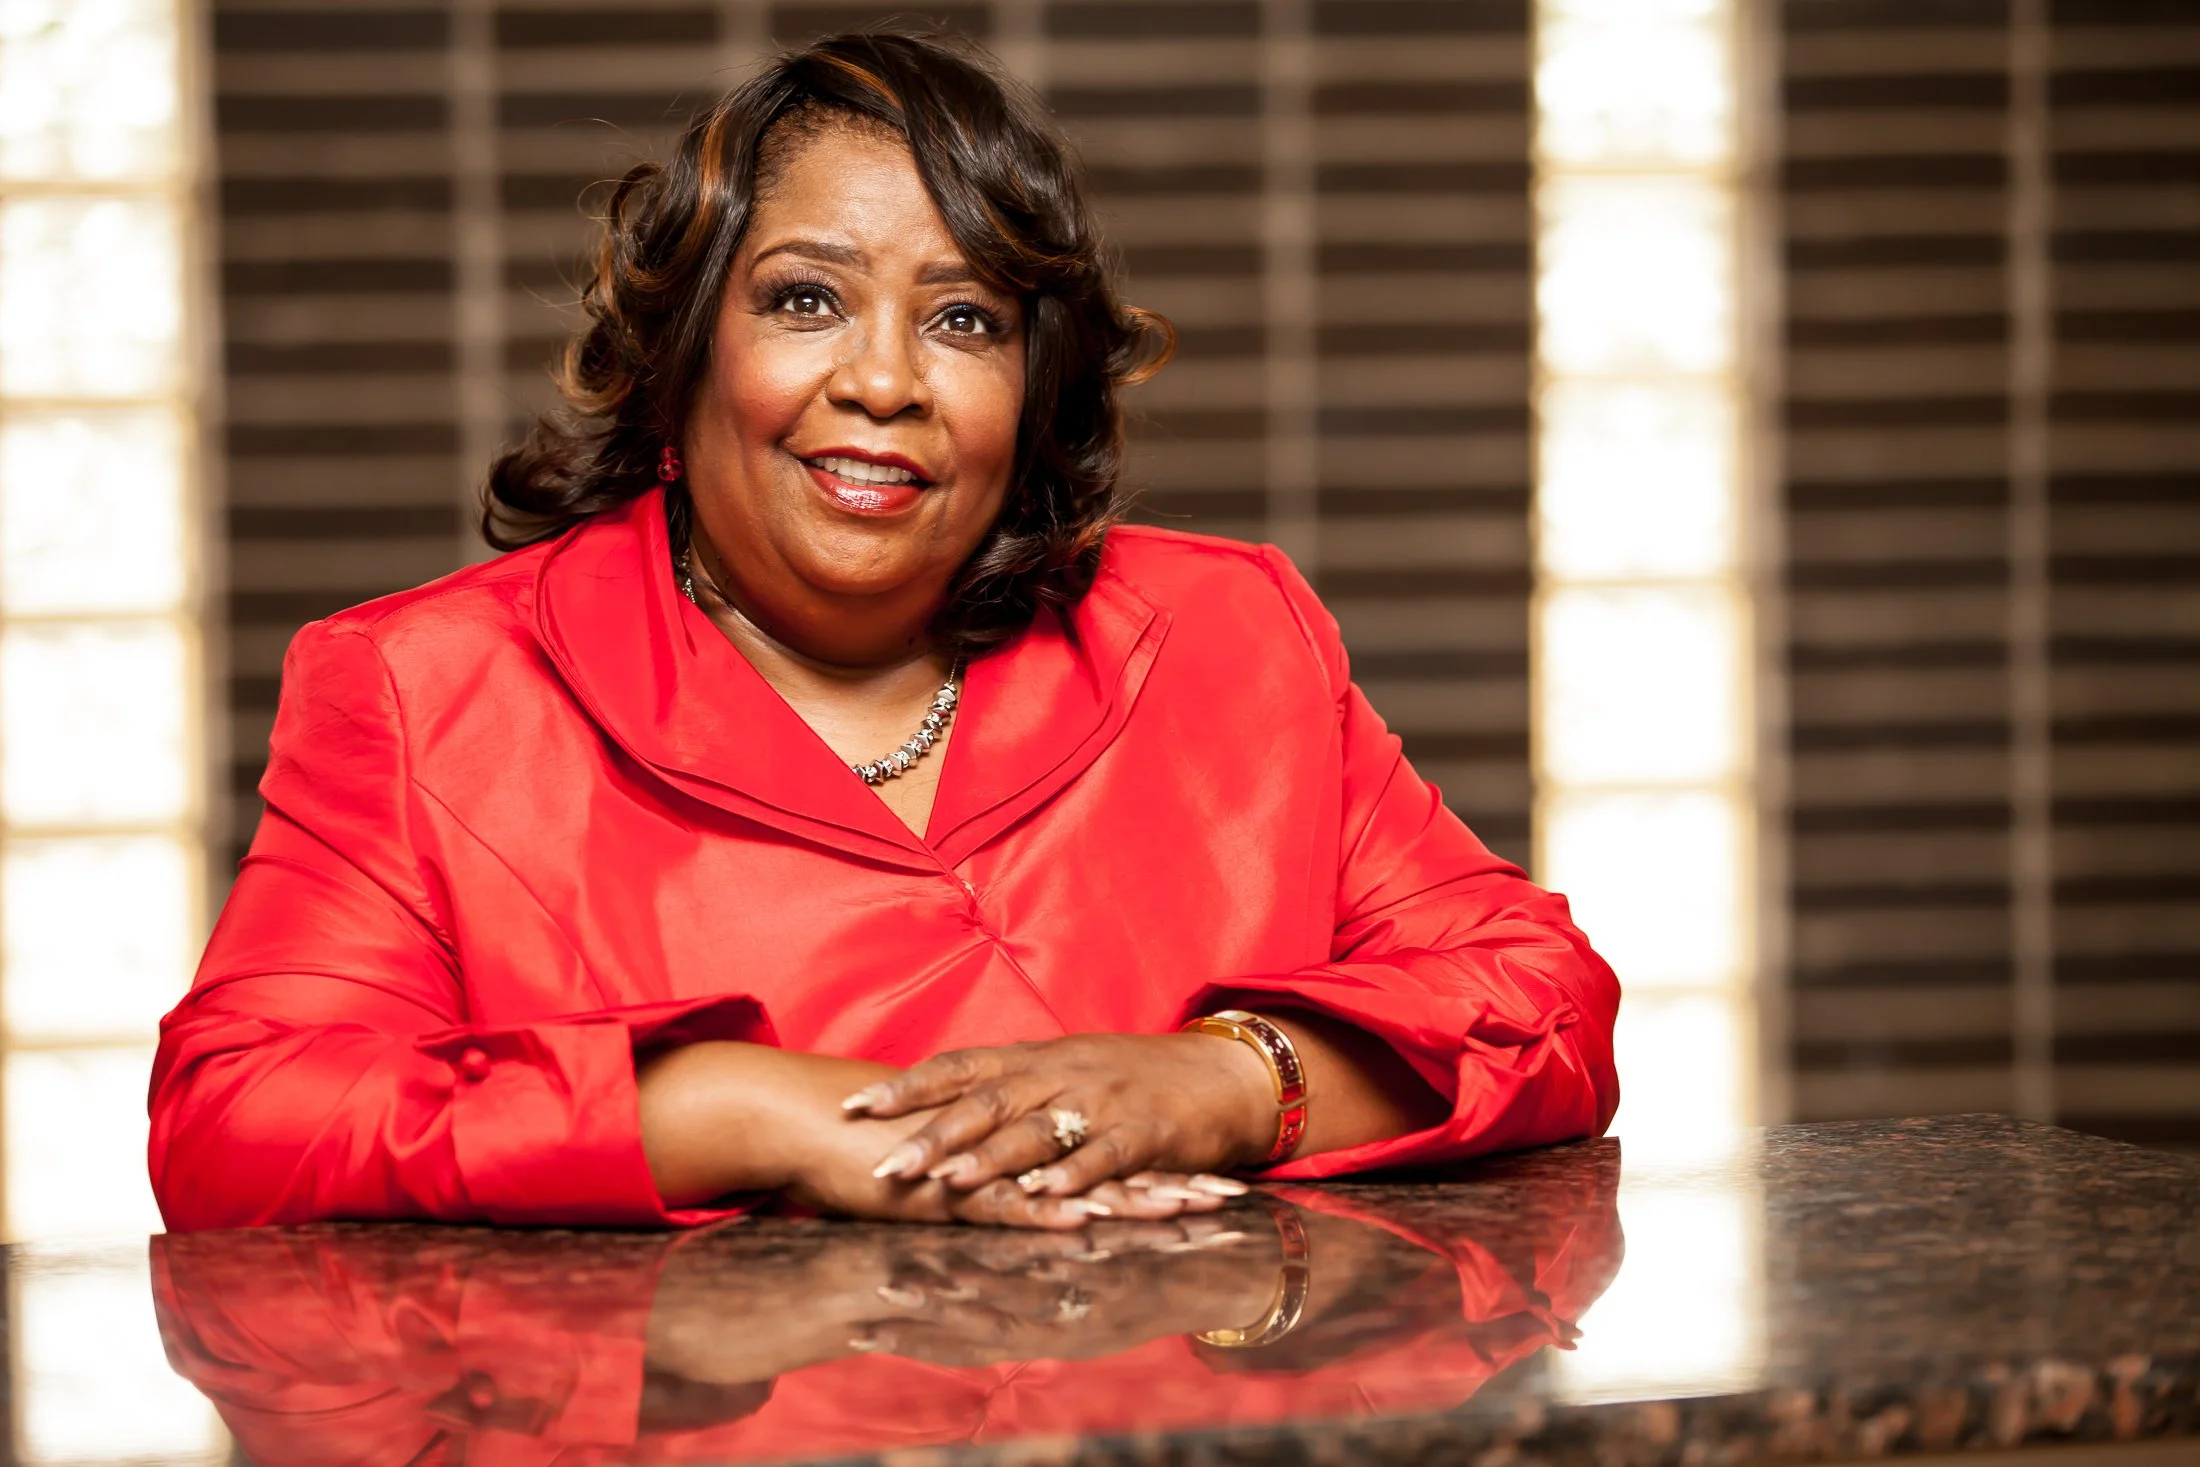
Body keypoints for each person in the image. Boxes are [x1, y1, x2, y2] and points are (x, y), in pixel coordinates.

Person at [149, 30, 1619, 1233]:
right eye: (806, 300)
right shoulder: (428, 690)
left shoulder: (1233, 631)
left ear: (1032, 392)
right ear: (679, 362)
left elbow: (1543, 1001)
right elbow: (239, 1121)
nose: (884, 381)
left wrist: (1225, 1079)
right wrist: (734, 1107)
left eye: (964, 320)